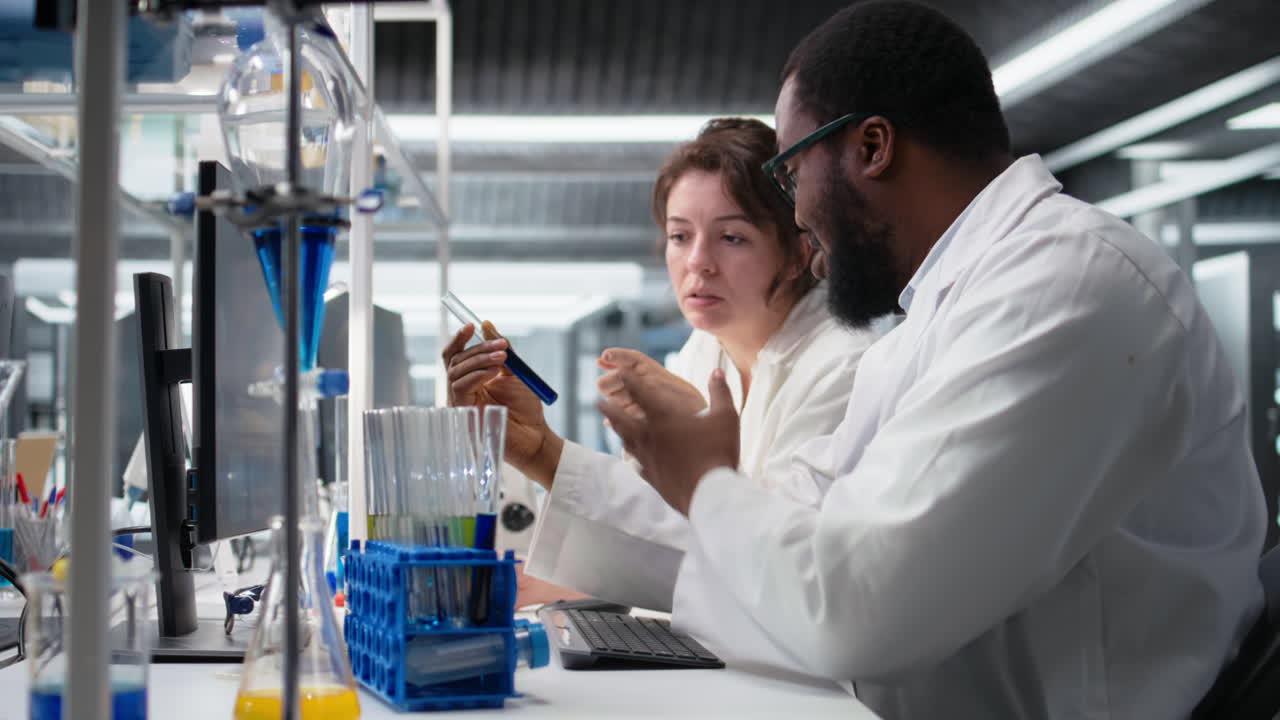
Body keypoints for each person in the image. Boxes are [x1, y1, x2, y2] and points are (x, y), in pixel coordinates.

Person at [594, 2, 1267, 718]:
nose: (796, 215)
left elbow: (861, 609)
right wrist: (573, 463)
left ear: (872, 147)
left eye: (792, 174)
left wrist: (705, 481)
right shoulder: (939, 312)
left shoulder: (1068, 282)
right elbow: (804, 515)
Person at [443, 118, 879, 612]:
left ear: (799, 252)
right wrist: (538, 449)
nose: (698, 262)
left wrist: (553, 460)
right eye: (679, 236)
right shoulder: (702, 352)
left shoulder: (846, 365)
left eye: (731, 237)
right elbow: (664, 535)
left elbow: (778, 568)